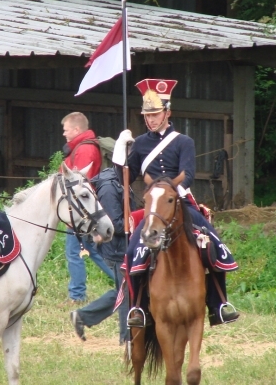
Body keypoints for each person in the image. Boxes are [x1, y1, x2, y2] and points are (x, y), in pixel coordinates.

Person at [112, 79, 240, 327]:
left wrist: (171, 195)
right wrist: (121, 153)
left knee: (213, 244)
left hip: (181, 202)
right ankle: (137, 307)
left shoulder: (184, 142)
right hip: (154, 208)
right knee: (131, 252)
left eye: (155, 114)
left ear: (167, 113)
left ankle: (219, 304)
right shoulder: (139, 144)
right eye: (147, 115)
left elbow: (188, 175)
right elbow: (124, 178)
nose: (150, 119)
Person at [70, 167, 133, 345]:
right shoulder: (109, 188)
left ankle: (82, 316)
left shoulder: (122, 183)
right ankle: (127, 339)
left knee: (124, 289)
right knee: (125, 291)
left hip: (124, 247)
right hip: (116, 248)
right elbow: (115, 225)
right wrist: (139, 218)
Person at [61, 112, 115, 303]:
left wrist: (74, 216)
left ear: (76, 130)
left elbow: (80, 186)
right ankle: (123, 281)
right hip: (85, 212)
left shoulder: (84, 150)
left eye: (66, 130)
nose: (64, 134)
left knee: (74, 253)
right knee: (93, 251)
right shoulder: (83, 147)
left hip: (80, 213)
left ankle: (77, 295)